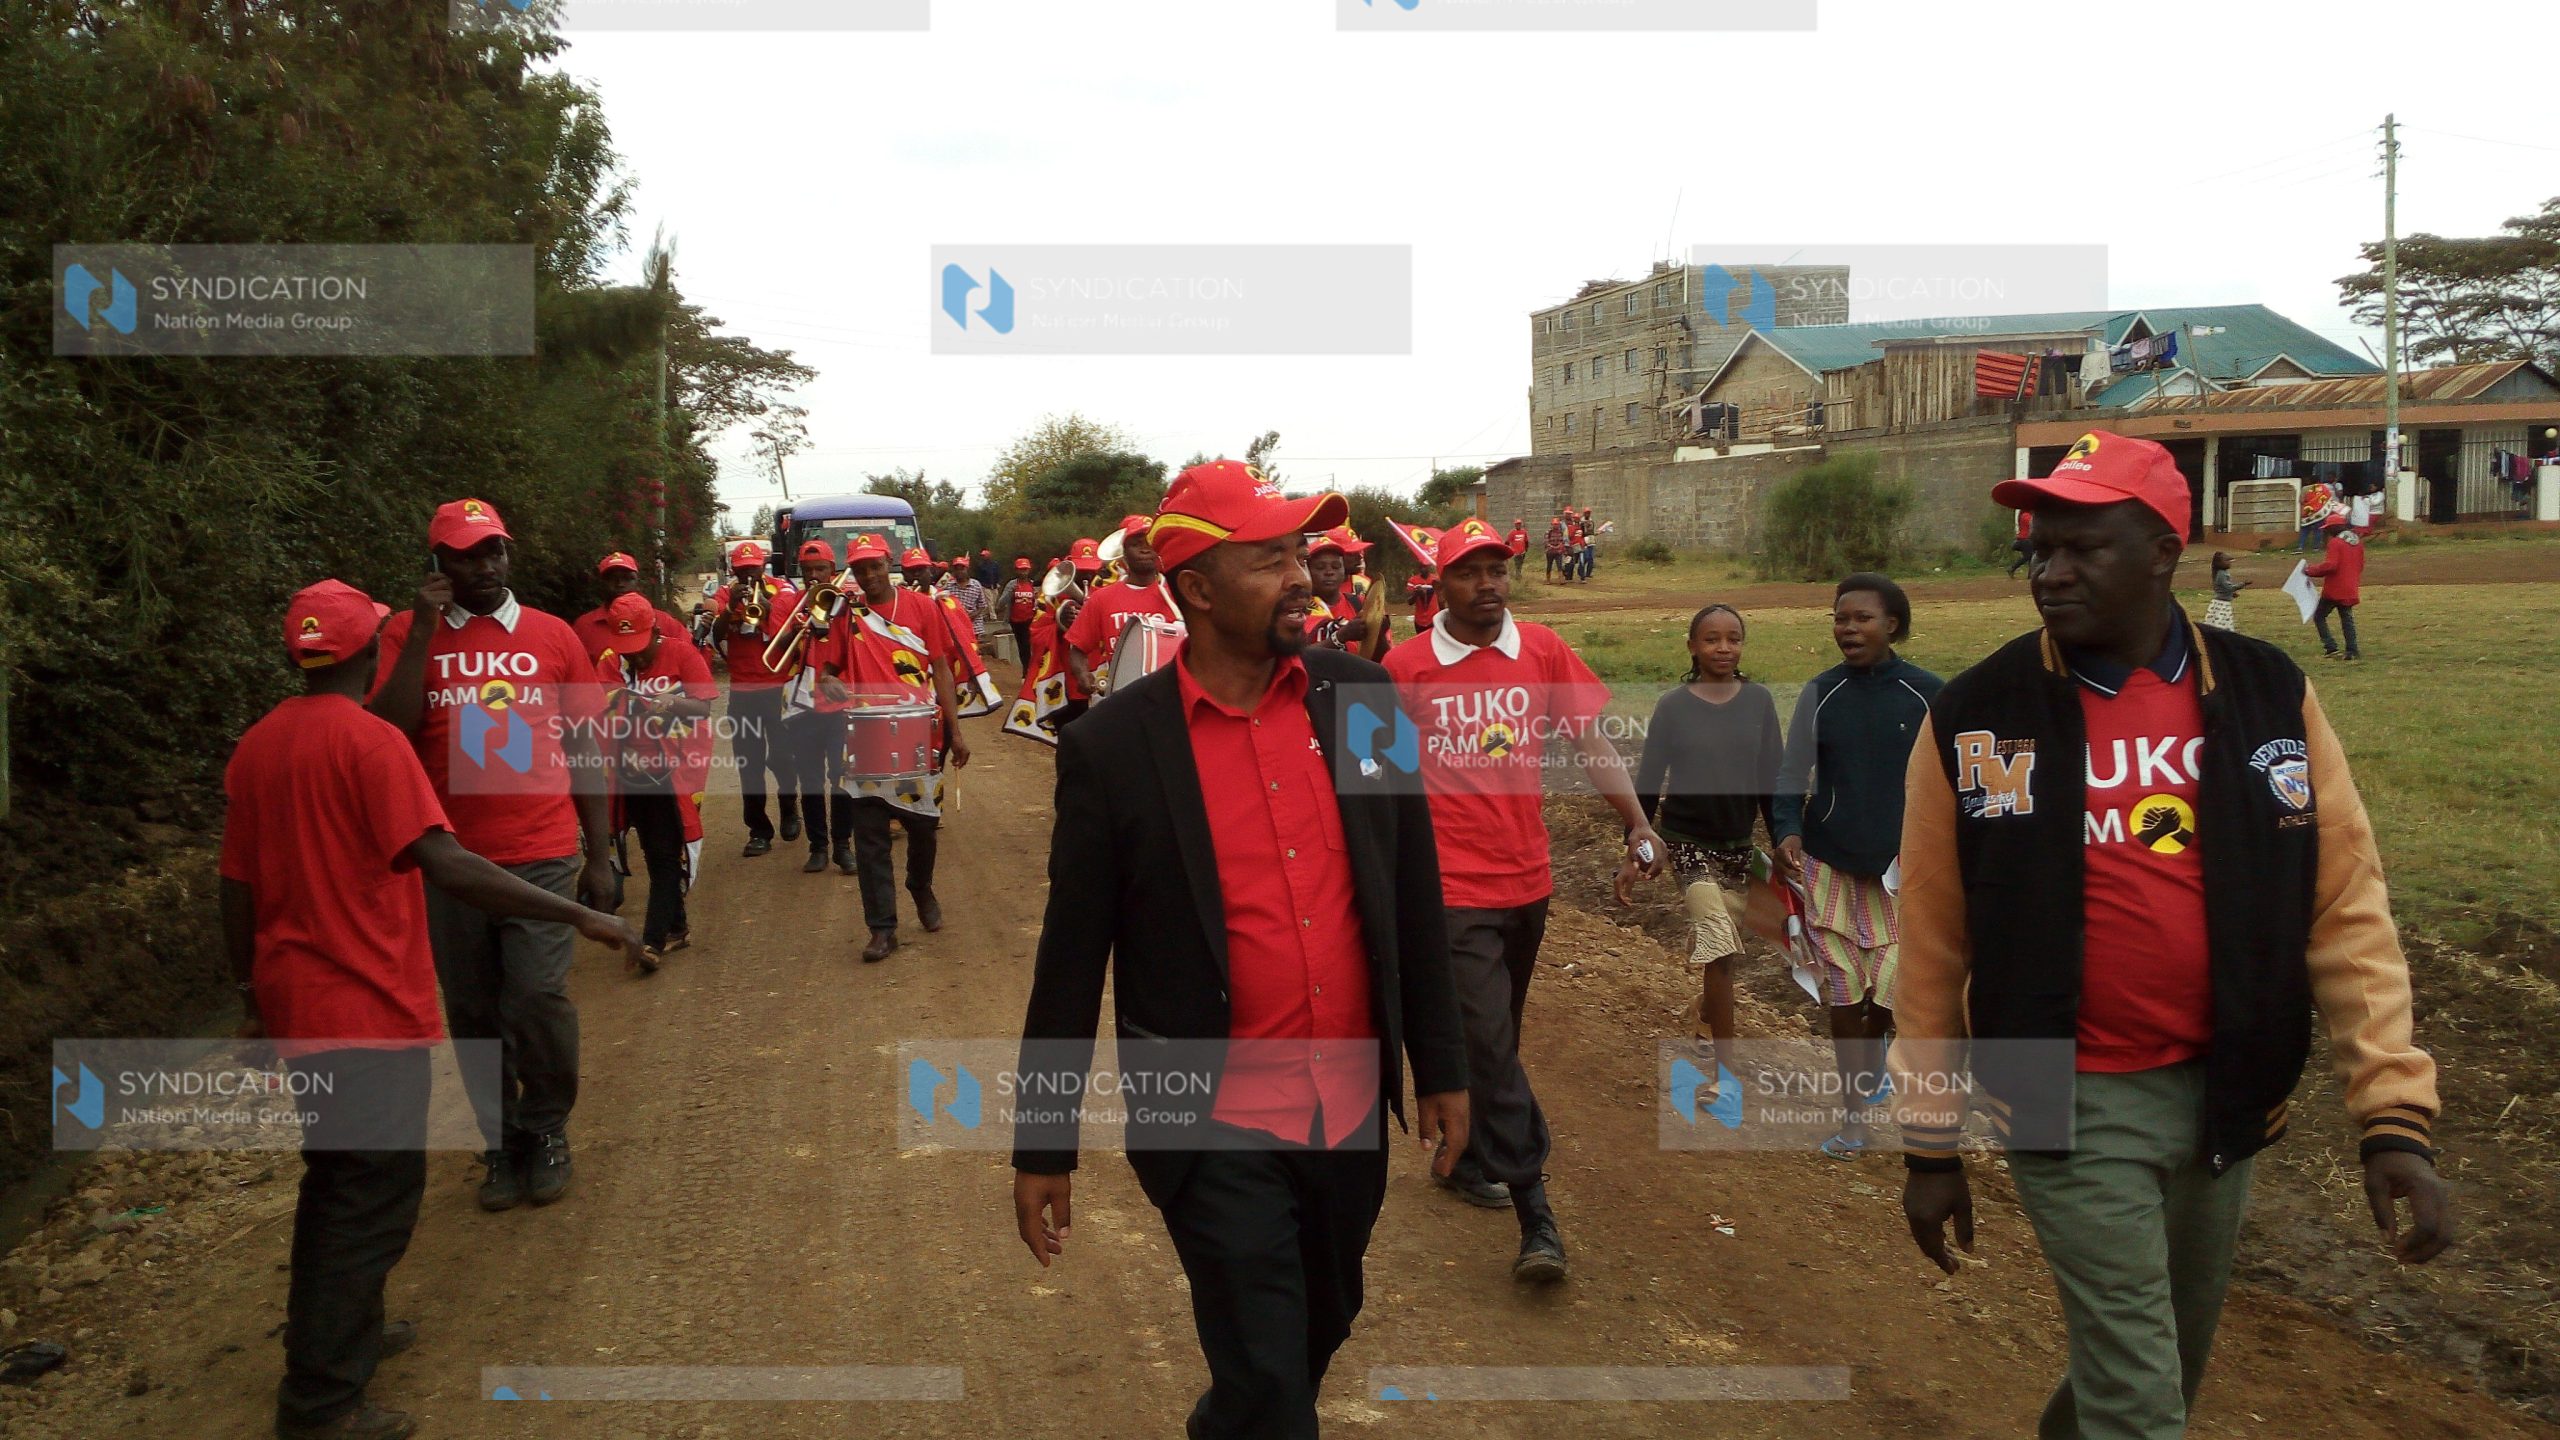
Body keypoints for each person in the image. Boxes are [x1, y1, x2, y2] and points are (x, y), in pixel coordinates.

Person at [1896, 429, 2451, 1438]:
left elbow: (2344, 909)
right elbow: (1931, 941)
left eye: (2081, 547)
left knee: (2158, 1369)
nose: (2048, 572)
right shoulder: (1976, 714)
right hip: (2061, 1099)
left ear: (2162, 550)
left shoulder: (2263, 692)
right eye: (2036, 548)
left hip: (2224, 1098)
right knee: (2140, 1400)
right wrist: (1929, 1142)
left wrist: (2392, 1116)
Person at [1011, 459, 1471, 1439]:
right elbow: (1069, 957)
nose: (1304, 576)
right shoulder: (1115, 748)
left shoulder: (1362, 700)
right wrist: (1042, 1142)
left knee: (1319, 1322)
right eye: (1269, 560)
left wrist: (1441, 1064)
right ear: (1196, 588)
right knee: (1270, 1375)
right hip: (1206, 1117)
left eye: (1300, 553)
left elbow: (1410, 889)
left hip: (1344, 1098)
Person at [226, 580, 638, 1440]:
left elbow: (235, 890)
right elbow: (447, 863)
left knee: (335, 1186)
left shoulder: (258, 746)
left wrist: (253, 1004)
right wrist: (581, 915)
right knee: (367, 1199)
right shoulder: (374, 746)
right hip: (368, 1009)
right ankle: (322, 1403)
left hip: (301, 1008)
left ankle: (345, 1337)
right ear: (373, 649)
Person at [1384, 515, 1666, 1279]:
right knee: (1493, 1047)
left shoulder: (1539, 649)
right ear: (1437, 585)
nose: (1489, 586)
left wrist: (1638, 821)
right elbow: (1364, 780)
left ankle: (1468, 1156)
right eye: (1470, 573)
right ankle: (1535, 1210)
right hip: (1448, 890)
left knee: (1495, 1035)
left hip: (1527, 881)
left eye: (1498, 571)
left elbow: (1591, 743)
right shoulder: (1401, 666)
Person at [367, 498, 619, 1213]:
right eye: (465, 555)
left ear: (509, 555)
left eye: (494, 552)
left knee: (537, 998)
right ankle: (498, 1144)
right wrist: (420, 629)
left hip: (540, 849)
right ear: (436, 565)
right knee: (474, 1012)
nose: (483, 567)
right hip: (448, 860)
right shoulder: (401, 635)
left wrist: (598, 858)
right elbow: (384, 732)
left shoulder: (552, 636)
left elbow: (585, 748)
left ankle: (544, 1130)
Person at [1771, 572, 1942, 1160]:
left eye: (1861, 618)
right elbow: (1792, 774)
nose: (1848, 628)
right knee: (1845, 999)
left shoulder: (1929, 695)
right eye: (1840, 619)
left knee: (1891, 998)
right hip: (1831, 868)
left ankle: (1874, 1079)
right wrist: (1788, 831)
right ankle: (1853, 1120)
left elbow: (1956, 782)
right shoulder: (1822, 692)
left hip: (1907, 876)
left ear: (1893, 624)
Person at [1627, 604, 1782, 1084]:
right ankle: (1726, 1077)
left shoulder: (1759, 702)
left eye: (1733, 639)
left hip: (1737, 845)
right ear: (1692, 647)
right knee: (1717, 946)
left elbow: (1771, 782)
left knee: (1723, 960)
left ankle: (1705, 1017)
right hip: (1686, 843)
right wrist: (1633, 850)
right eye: (1711, 639)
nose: (1723, 648)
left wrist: (1785, 846)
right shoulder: (1674, 706)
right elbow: (1649, 778)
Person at [811, 533, 971, 961]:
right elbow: (827, 669)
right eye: (860, 569)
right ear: (854, 573)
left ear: (889, 564)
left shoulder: (922, 608)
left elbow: (940, 667)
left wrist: (955, 730)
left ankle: (920, 885)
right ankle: (882, 928)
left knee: (922, 826)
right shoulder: (845, 615)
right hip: (864, 735)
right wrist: (828, 682)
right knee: (870, 837)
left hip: (920, 732)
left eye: (875, 566)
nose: (869, 575)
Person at [595, 592, 717, 957]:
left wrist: (664, 703)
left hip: (672, 771)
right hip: (629, 771)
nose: (633, 654)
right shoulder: (611, 661)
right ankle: (677, 927)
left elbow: (701, 708)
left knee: (665, 855)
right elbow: (600, 705)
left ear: (655, 629)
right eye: (624, 645)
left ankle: (652, 939)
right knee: (651, 850)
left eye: (639, 645)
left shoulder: (681, 653)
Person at [711, 542, 800, 857]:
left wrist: (763, 607)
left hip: (778, 687)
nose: (749, 573)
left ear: (763, 565)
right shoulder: (726, 593)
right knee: (749, 764)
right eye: (742, 569)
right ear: (734, 570)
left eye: (754, 567)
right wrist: (729, 610)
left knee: (782, 757)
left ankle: (789, 806)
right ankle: (758, 830)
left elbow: (786, 630)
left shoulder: (783, 589)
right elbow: (716, 634)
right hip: (743, 691)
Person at [775, 540, 858, 875]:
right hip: (801, 706)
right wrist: (796, 630)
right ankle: (818, 847)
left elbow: (858, 650)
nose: (812, 576)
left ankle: (842, 846)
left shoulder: (847, 606)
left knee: (841, 778)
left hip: (839, 705)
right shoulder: (792, 605)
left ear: (832, 571)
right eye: (807, 571)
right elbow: (776, 654)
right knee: (809, 779)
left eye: (819, 569)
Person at [1065, 515, 1179, 698]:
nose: (1145, 550)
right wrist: (1082, 674)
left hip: (1171, 699)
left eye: (1150, 543)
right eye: (1136, 544)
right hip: (1122, 700)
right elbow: (1077, 649)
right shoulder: (1101, 599)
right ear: (1123, 552)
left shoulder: (1178, 596)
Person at [570, 552, 684, 661]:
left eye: (627, 578)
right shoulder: (584, 626)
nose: (620, 584)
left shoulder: (663, 621)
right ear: (602, 583)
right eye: (612, 579)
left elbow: (692, 656)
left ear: (637, 581)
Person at [1303, 525, 1386, 657]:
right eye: (1320, 567)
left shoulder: (1359, 603)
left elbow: (1379, 657)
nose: (1329, 572)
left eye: (1336, 566)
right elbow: (1298, 658)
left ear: (1343, 570)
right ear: (1307, 571)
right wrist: (1341, 637)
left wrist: (1378, 633)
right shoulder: (1299, 610)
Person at [2305, 515, 2365, 661]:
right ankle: (2352, 650)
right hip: (2350, 588)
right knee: (2346, 619)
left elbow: (2331, 565)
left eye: (2328, 529)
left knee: (2319, 616)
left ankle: (2331, 647)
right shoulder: (2357, 543)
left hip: (2335, 589)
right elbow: (2361, 565)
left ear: (2333, 529)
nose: (2327, 532)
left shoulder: (2335, 543)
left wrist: (2310, 570)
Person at [997, 556, 1039, 672]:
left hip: (1030, 619)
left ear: (1029, 570)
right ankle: (1027, 670)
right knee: (1022, 646)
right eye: (1021, 569)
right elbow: (1000, 603)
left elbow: (1038, 602)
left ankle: (1029, 670)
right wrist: (1011, 592)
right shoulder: (1012, 585)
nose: (1023, 572)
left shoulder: (1032, 585)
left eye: (1025, 569)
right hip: (1016, 621)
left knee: (1028, 645)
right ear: (1016, 570)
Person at [2204, 551, 2249, 632]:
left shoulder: (2223, 573)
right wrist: (2243, 584)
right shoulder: (2221, 574)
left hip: (2221, 602)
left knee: (2217, 623)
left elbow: (2223, 588)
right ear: (2219, 563)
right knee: (2222, 624)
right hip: (2222, 603)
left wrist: (2232, 594)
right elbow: (2228, 587)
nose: (2229, 563)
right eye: (2227, 561)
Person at [1406, 565, 1439, 633]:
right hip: (1419, 620)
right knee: (1421, 641)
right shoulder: (1413, 580)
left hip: (1433, 619)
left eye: (1424, 566)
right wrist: (1416, 593)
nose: (1422, 569)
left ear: (1428, 567)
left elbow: (1441, 599)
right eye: (1420, 566)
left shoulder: (1436, 580)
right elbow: (1409, 602)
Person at [2007, 509, 2034, 579]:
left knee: (2029, 556)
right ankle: (2012, 568)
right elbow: (2032, 524)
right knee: (2028, 556)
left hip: (2026, 539)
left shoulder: (2026, 515)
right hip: (2025, 539)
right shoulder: (2026, 515)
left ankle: (2031, 574)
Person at [1543, 518, 1567, 582]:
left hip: (1558, 552)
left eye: (1557, 524)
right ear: (1552, 524)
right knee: (1549, 565)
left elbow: (1562, 541)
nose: (1556, 526)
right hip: (1550, 551)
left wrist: (1559, 547)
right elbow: (1546, 542)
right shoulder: (1548, 532)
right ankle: (1548, 579)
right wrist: (1553, 547)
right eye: (1554, 524)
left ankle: (1561, 579)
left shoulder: (1560, 532)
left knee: (1559, 565)